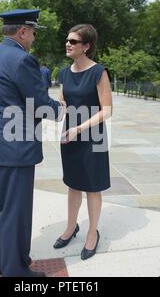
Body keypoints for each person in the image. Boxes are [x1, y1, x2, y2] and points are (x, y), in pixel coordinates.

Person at [0, 9, 65, 277]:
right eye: (34, 32)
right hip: (15, 147)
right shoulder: (22, 60)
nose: (34, 39)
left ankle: (3, 263)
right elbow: (39, 104)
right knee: (15, 211)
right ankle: (16, 272)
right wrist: (59, 108)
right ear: (23, 31)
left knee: (0, 209)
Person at [54, 24, 112, 260]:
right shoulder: (64, 73)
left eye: (74, 41)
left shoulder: (98, 72)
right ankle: (71, 227)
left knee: (92, 186)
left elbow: (107, 110)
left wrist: (79, 128)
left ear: (86, 46)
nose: (68, 44)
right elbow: (63, 103)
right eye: (67, 40)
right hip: (70, 134)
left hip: (92, 135)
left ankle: (92, 233)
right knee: (73, 183)